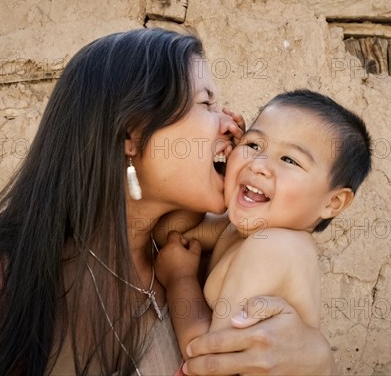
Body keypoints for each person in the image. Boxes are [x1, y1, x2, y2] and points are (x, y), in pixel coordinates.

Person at [0, 29, 335, 375]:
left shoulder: (210, 268)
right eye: (208, 104)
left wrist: (318, 360)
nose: (236, 124)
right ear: (132, 135)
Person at [154, 90, 372, 373]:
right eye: (254, 145)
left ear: (333, 202)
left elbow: (211, 358)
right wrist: (217, 170)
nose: (258, 165)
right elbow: (168, 234)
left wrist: (180, 279)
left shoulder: (275, 248)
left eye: (289, 160)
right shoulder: (236, 229)